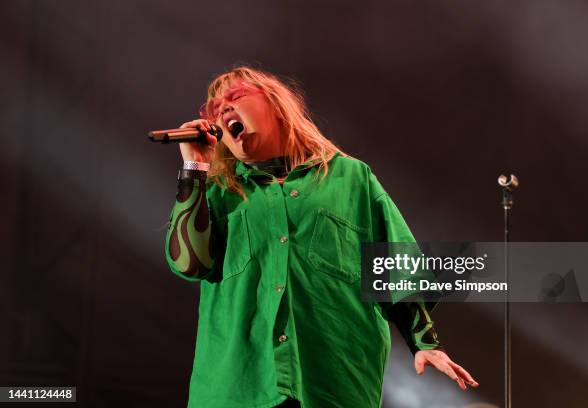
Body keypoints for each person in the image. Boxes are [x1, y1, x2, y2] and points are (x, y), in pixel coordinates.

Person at [164, 66, 478, 408]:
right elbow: (188, 264)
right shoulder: (218, 192)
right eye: (215, 110)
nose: (223, 110)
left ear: (276, 104)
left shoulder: (350, 178)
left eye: (235, 97)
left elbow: (396, 266)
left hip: (333, 384)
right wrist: (194, 168)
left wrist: (426, 343)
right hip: (238, 388)